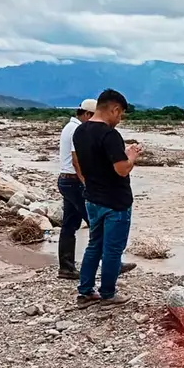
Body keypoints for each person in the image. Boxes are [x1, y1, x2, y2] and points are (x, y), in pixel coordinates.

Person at [71, 88, 141, 308]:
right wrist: (132, 156)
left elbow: (87, 162)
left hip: (93, 198)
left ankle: (85, 292)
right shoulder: (110, 135)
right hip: (115, 202)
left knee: (94, 245)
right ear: (115, 109)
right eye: (120, 115)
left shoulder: (80, 131)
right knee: (112, 250)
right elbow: (122, 169)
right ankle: (108, 294)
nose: (119, 120)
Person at [57, 98, 135, 280]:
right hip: (76, 182)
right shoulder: (79, 130)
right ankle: (112, 266)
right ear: (87, 114)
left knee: (69, 225)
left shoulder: (71, 128)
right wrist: (88, 183)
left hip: (66, 180)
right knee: (100, 231)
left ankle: (66, 267)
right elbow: (76, 161)